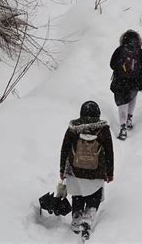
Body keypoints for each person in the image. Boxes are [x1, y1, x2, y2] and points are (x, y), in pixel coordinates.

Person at [59, 101, 114, 240]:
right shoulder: (103, 129)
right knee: (94, 195)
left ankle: (77, 219)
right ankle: (87, 220)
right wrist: (110, 172)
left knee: (77, 194)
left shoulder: (73, 128)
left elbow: (65, 149)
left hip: (75, 170)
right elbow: (109, 152)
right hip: (96, 170)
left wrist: (62, 170)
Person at [110, 29, 142, 140]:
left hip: (120, 82)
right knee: (132, 98)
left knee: (122, 103)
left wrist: (121, 71)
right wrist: (138, 72)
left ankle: (123, 128)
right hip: (135, 82)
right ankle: (129, 119)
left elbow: (112, 65)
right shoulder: (140, 52)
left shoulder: (119, 50)